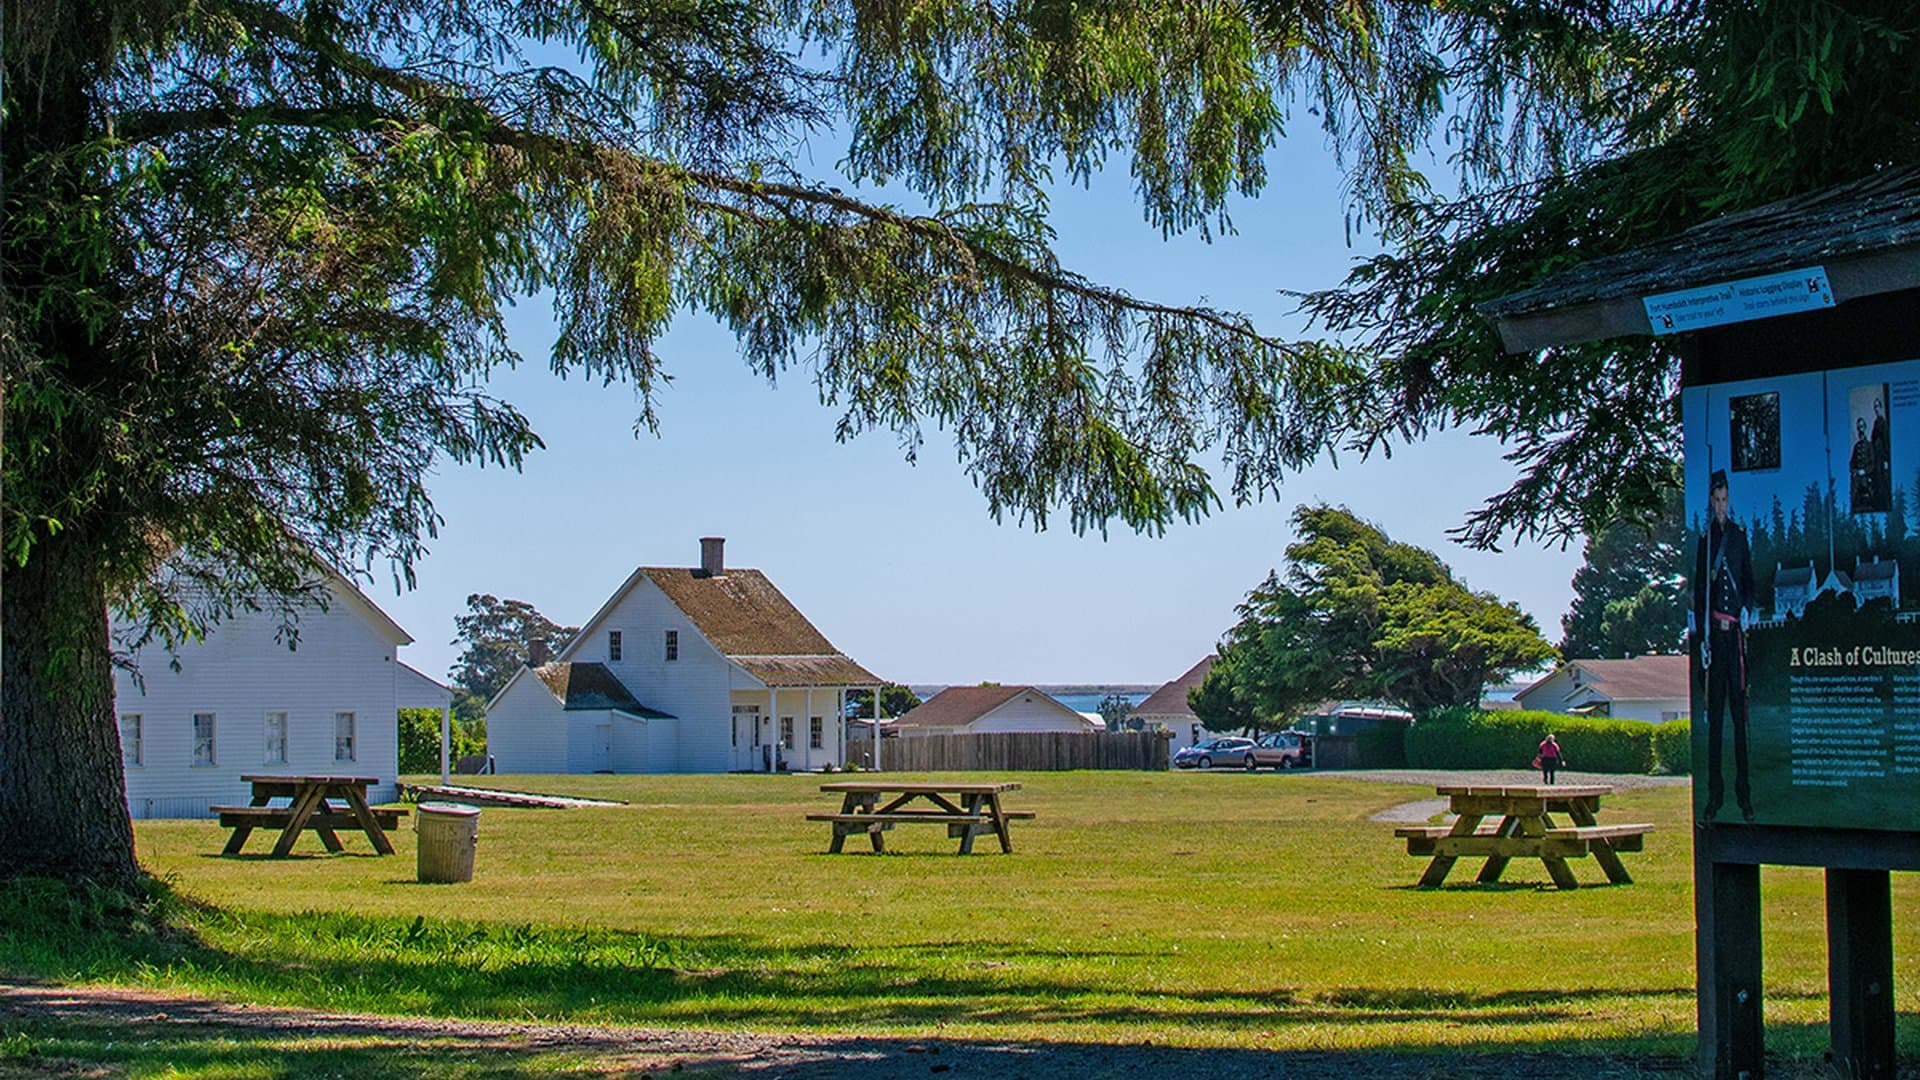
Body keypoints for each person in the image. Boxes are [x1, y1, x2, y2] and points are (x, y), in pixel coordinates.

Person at [1693, 469, 1755, 822]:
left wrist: (1747, 608)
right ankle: (1715, 797)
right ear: (1710, 502)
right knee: (1715, 721)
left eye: (1724, 500)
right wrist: (1703, 639)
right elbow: (1702, 591)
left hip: (1735, 636)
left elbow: (1748, 578)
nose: (1720, 506)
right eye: (1716, 500)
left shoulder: (1738, 537)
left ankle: (1744, 796)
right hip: (1714, 639)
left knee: (1739, 719)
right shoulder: (1706, 542)